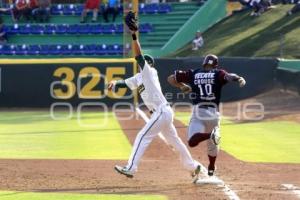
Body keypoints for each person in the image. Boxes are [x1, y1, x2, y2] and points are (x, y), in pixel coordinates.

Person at [109, 11, 201, 180]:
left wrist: (134, 35)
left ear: (148, 64)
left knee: (142, 136)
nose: (141, 64)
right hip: (163, 113)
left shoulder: (149, 72)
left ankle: (131, 167)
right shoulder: (139, 77)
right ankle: (193, 166)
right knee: (175, 141)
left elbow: (138, 56)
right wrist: (114, 84)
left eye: (144, 62)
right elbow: (125, 83)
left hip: (161, 112)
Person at [167, 54, 246, 176]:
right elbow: (229, 76)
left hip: (199, 112)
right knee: (212, 145)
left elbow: (171, 78)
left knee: (192, 142)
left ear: (203, 63)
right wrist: (239, 78)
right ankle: (212, 166)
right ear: (215, 65)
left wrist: (182, 86)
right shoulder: (218, 73)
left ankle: (210, 135)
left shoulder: (194, 73)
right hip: (213, 113)